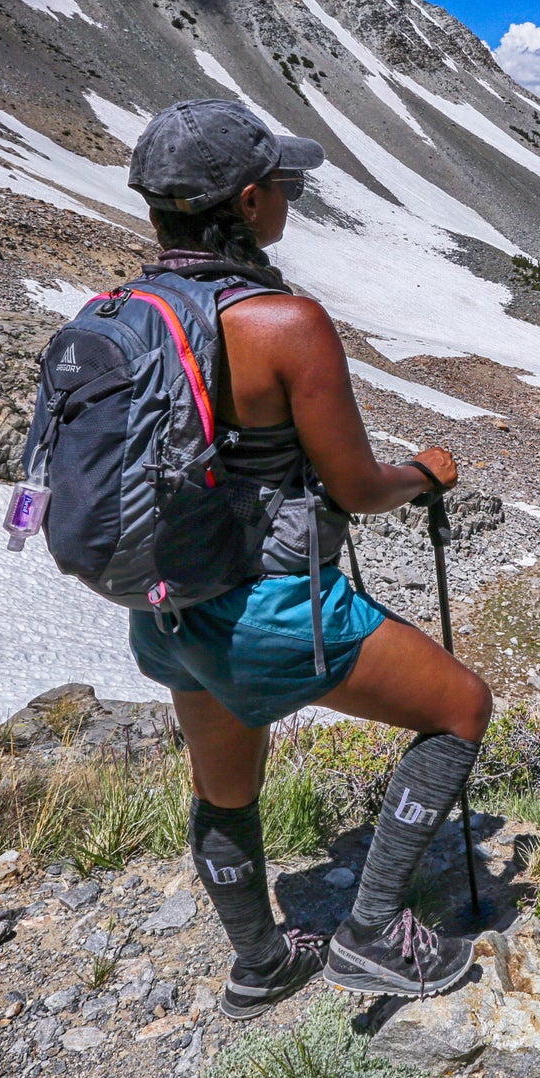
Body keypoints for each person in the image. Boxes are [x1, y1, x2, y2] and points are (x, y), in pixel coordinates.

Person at [122, 99, 492, 1018]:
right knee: (461, 706)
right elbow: (360, 487)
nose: (291, 195)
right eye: (283, 185)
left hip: (167, 609)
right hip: (270, 610)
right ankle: (371, 932)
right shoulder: (284, 323)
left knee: (225, 784)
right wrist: (427, 472)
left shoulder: (123, 313)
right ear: (248, 204)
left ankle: (259, 963)